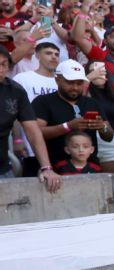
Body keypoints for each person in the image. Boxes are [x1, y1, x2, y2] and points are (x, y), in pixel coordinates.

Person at [32, 60, 112, 169]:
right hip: (54, 168)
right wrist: (68, 127)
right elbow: (35, 132)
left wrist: (103, 127)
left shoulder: (91, 103)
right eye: (70, 82)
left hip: (89, 168)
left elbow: (109, 136)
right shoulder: (43, 101)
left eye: (79, 83)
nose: (75, 87)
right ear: (57, 79)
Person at [0, 47, 60, 191]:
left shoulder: (15, 91)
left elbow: (33, 131)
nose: (0, 69)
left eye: (3, 64)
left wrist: (46, 168)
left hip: (2, 168)